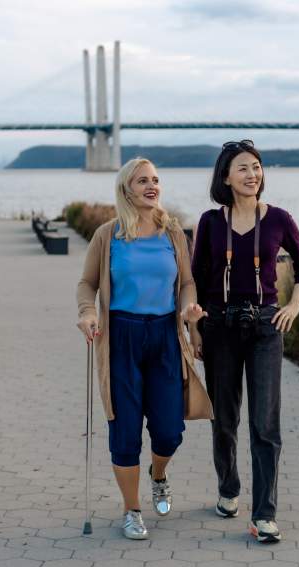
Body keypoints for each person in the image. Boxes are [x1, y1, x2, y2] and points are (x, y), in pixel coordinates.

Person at [76, 157, 206, 540]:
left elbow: (187, 283)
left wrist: (188, 308)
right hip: (122, 338)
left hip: (165, 336)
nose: (152, 186)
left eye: (155, 180)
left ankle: (159, 473)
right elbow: (87, 284)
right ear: (125, 190)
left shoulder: (173, 234)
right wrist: (87, 313)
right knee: (125, 432)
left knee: (169, 431)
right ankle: (132, 510)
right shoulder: (107, 235)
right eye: (142, 181)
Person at [190, 140, 299, 543]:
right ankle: (228, 488)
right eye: (243, 168)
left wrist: (294, 303)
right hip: (219, 326)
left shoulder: (278, 218)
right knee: (224, 420)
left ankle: (264, 515)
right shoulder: (209, 222)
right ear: (226, 176)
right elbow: (196, 277)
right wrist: (194, 328)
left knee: (265, 424)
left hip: (264, 327)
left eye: (256, 167)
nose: (252, 174)